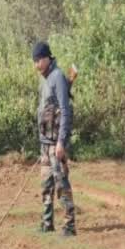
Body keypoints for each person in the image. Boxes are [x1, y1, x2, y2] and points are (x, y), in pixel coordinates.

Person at [33, 41, 75, 236]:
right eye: (34, 61)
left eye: (39, 60)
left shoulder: (57, 77)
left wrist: (61, 142)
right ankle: (47, 222)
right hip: (45, 143)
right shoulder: (44, 78)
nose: (36, 64)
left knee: (61, 184)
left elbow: (65, 111)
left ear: (48, 58)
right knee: (46, 185)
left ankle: (69, 225)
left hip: (55, 143)